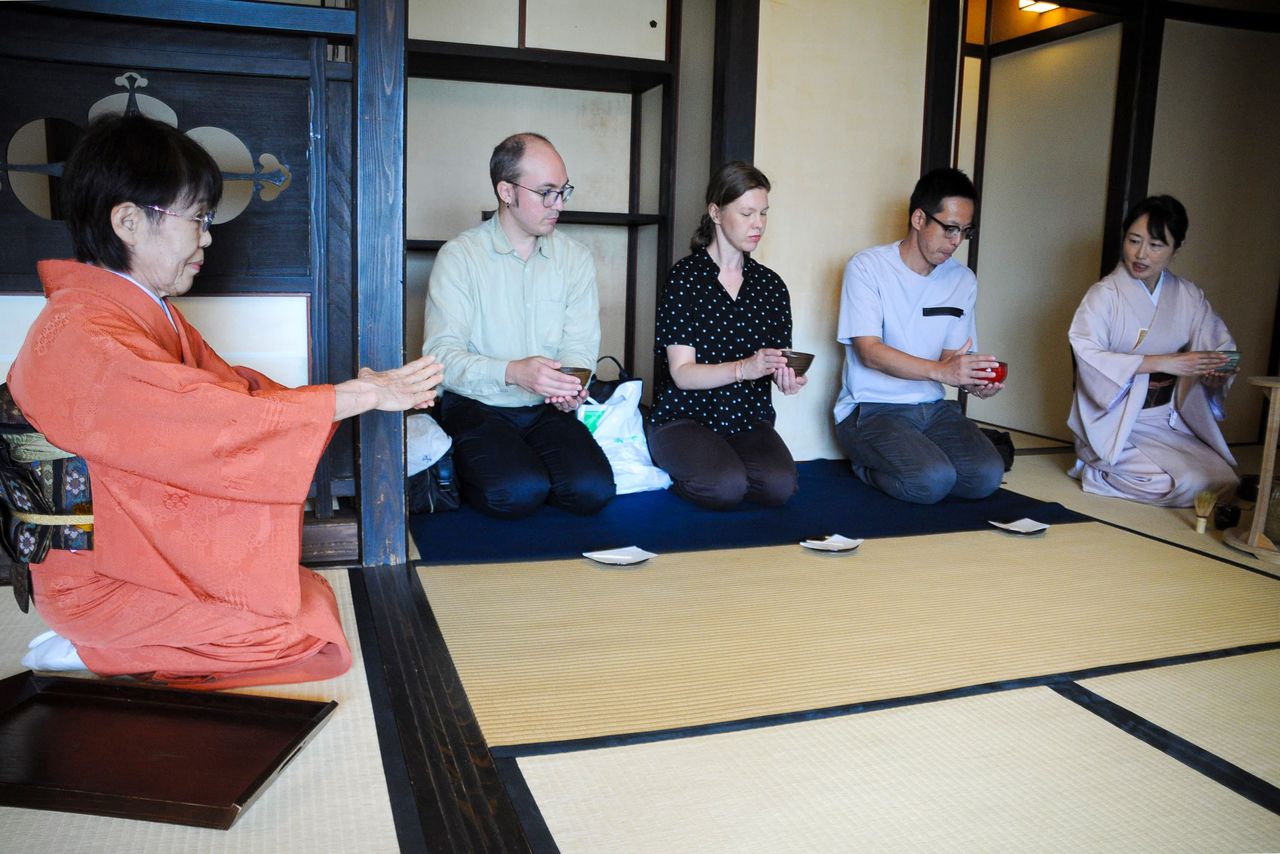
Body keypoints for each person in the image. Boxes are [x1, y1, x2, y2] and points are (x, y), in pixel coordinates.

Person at [5, 113, 443, 688]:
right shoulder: (84, 334)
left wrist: (346, 396)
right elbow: (209, 420)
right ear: (130, 222)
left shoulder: (131, 312)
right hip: (98, 579)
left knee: (303, 596)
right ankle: (92, 649)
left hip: (131, 558)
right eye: (198, 219)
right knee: (306, 638)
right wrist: (353, 396)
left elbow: (233, 392)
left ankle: (123, 641)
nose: (207, 237)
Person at [423, 132, 614, 519]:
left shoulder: (574, 259)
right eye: (546, 192)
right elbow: (440, 356)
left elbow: (579, 345)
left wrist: (572, 386)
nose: (557, 205)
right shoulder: (460, 257)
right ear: (506, 191)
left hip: (544, 407)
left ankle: (522, 466)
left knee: (593, 491)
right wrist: (512, 372)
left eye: (563, 191)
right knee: (516, 492)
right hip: (477, 404)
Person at [834, 167, 1004, 504]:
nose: (956, 242)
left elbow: (951, 359)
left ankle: (923, 464)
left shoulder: (962, 280)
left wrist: (974, 381)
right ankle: (865, 467)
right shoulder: (867, 267)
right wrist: (942, 372)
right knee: (931, 480)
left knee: (987, 476)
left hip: (933, 409)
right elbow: (869, 351)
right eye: (950, 229)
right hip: (871, 410)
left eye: (964, 232)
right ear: (918, 219)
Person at [647, 161, 806, 509]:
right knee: (725, 487)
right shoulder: (684, 279)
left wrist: (786, 378)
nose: (758, 224)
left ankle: (724, 462)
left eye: (763, 213)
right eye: (747, 213)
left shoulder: (771, 285)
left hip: (746, 417)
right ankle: (677, 467)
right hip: (684, 417)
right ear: (716, 212)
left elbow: (776, 363)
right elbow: (682, 375)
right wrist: (743, 368)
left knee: (779, 487)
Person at [1067, 195, 1238, 506]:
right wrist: (1164, 362)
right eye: (1133, 241)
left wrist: (1217, 372)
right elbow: (1087, 354)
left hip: (1166, 420)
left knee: (1223, 481)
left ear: (1177, 247)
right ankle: (1096, 471)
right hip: (1117, 420)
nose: (1141, 254)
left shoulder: (1188, 295)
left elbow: (1224, 351)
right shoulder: (1104, 295)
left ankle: (1120, 471)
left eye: (1156, 245)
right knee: (1183, 481)